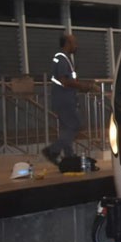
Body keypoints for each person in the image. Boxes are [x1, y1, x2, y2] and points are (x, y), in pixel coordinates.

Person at [42, 34, 96, 165]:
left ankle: (69, 157)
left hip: (63, 99)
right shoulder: (61, 59)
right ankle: (52, 150)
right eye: (74, 42)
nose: (76, 45)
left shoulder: (64, 59)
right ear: (67, 43)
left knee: (67, 128)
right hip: (64, 100)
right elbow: (64, 81)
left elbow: (68, 81)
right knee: (75, 124)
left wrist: (85, 87)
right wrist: (84, 86)